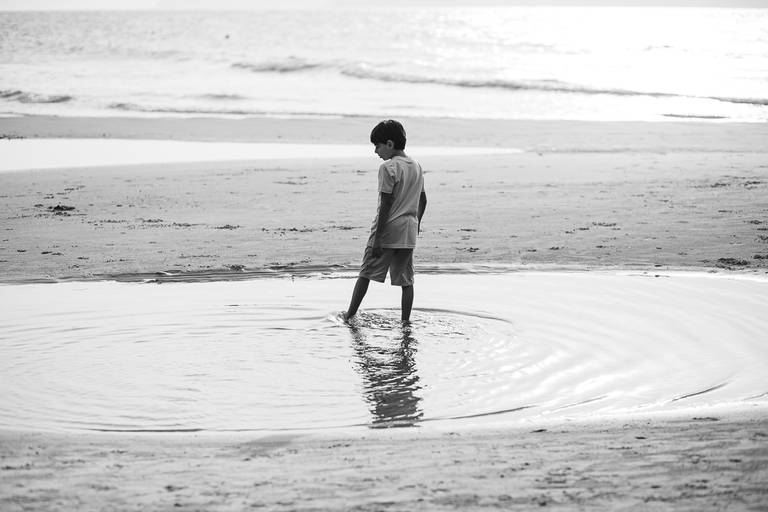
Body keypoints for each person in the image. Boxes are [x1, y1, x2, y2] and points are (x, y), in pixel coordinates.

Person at [343, 119, 427, 324]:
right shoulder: (416, 166)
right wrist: (416, 224)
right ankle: (405, 323)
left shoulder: (388, 167)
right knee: (407, 281)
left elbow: (386, 205)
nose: (375, 151)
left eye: (377, 146)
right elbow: (423, 200)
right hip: (408, 231)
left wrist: (378, 238)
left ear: (389, 144)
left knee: (365, 273)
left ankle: (349, 315)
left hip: (388, 230)